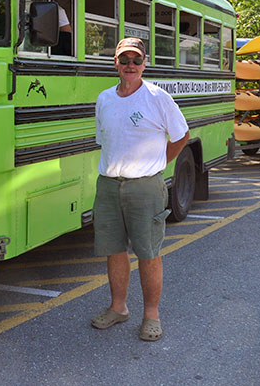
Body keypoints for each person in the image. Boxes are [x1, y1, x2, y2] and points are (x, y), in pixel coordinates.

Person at [90, 36, 189, 342]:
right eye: (124, 59)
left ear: (145, 64)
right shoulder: (104, 99)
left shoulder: (158, 98)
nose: (130, 65)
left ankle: (151, 315)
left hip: (146, 187)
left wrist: (158, 164)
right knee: (114, 250)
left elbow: (181, 136)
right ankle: (118, 308)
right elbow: (105, 141)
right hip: (109, 185)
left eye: (136, 60)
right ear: (115, 63)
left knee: (148, 253)